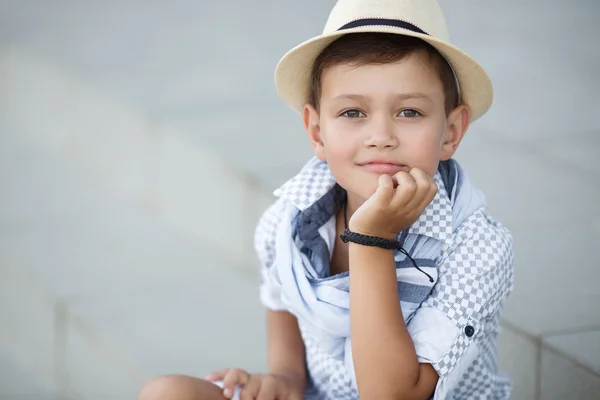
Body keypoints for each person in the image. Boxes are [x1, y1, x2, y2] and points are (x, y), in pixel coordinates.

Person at [136, 0, 515, 399]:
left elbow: (392, 396)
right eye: (353, 112)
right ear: (317, 132)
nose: (380, 135)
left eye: (409, 112)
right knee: (168, 392)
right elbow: (282, 297)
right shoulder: (294, 217)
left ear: (451, 132)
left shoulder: (477, 248)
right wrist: (285, 377)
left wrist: (372, 239)